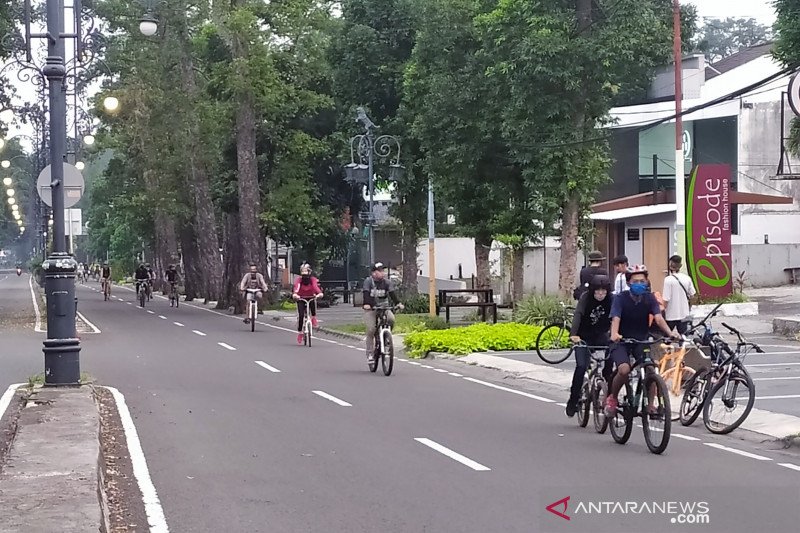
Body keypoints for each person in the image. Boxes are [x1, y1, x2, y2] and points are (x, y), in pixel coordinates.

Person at [605, 264, 677, 417]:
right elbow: (615, 318)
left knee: (651, 370)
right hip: (621, 341)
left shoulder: (649, 298)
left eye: (642, 281)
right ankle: (612, 398)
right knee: (624, 370)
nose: (639, 284)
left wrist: (670, 333)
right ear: (629, 282)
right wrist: (615, 334)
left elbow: (658, 318)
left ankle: (650, 405)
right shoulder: (620, 299)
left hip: (641, 341)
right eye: (635, 281)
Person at [566, 274, 614, 418]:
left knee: (610, 363)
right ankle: (573, 399)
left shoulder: (612, 299)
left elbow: (617, 317)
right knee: (581, 366)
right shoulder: (585, 298)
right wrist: (573, 334)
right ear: (593, 290)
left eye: (603, 292)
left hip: (601, 336)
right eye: (597, 291)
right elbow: (578, 315)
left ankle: (608, 395)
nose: (600, 294)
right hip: (583, 337)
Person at [362, 262, 404, 362]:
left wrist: (398, 303)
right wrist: (367, 304)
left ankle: (386, 338)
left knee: (391, 319)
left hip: (384, 307)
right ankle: (370, 354)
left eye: (382, 271)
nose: (382, 273)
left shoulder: (387, 282)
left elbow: (392, 294)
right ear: (373, 273)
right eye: (379, 271)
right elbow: (366, 294)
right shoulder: (368, 282)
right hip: (372, 309)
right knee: (371, 329)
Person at [662, 255, 696, 335]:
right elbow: (692, 296)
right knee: (684, 338)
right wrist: (689, 308)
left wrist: (662, 312)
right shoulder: (687, 278)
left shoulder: (668, 280)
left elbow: (666, 299)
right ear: (680, 266)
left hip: (670, 315)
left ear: (670, 265)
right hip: (684, 314)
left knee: (667, 339)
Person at [292, 263, 324, 344]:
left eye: (306, 273)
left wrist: (319, 293)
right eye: (303, 274)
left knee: (313, 302)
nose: (305, 276)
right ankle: (300, 332)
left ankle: (313, 317)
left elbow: (315, 287)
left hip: (310, 296)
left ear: (309, 272)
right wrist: (295, 294)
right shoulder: (299, 280)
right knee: (301, 316)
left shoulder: (312, 279)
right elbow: (297, 287)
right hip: (301, 298)